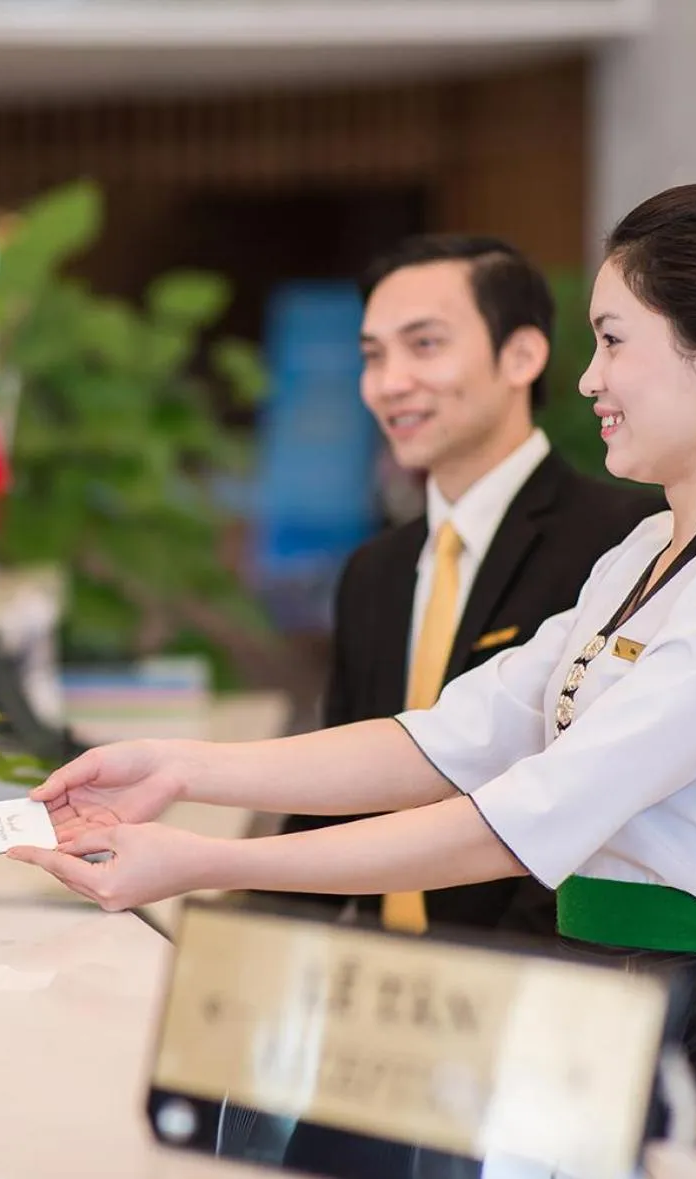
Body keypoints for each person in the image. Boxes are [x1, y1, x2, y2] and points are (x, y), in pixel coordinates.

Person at [11, 182, 696, 1160]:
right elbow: (450, 735)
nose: (588, 379)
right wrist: (178, 768)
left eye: (611, 341)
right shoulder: (644, 551)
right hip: (601, 1021)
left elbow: (524, 818)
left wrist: (210, 862)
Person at [280, 234, 659, 938]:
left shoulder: (626, 543)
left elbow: (601, 816)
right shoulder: (374, 571)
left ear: (522, 354)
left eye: (424, 345)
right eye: (372, 354)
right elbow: (334, 794)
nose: (390, 381)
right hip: (377, 974)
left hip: (527, 986)